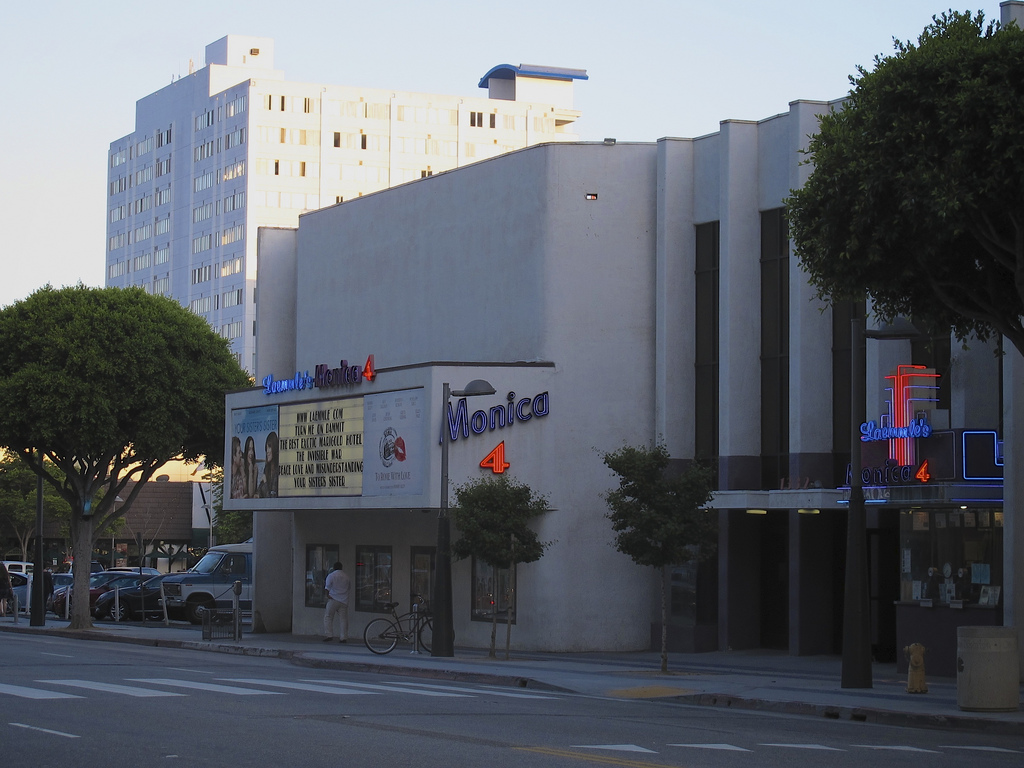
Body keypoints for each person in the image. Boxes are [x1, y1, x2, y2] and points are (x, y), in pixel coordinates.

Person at [323, 561, 350, 643]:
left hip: (333, 599)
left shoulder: (331, 576)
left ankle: (329, 635)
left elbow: (327, 587)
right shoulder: (347, 577)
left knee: (328, 616)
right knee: (343, 619)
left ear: (334, 568)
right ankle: (343, 637)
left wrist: (327, 595)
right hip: (344, 600)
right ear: (341, 567)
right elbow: (349, 588)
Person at [257, 431, 279, 498]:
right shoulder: (267, 468)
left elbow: (272, 498)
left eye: (269, 447)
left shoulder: (278, 470)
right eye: (266, 448)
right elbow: (259, 493)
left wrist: (265, 482)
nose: (267, 451)